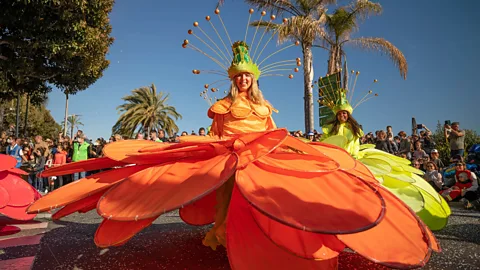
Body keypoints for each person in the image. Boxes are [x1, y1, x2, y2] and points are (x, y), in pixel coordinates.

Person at [29, 10, 438, 270]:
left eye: (248, 77)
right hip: (226, 154)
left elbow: (266, 131)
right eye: (239, 76)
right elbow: (218, 132)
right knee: (229, 191)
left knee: (276, 192)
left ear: (254, 79)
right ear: (232, 79)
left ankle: (275, 235)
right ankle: (223, 232)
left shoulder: (265, 108)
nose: (243, 81)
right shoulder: (222, 106)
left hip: (264, 155)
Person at [317, 73, 450, 231]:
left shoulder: (355, 129)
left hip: (352, 159)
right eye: (340, 114)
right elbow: (325, 142)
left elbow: (354, 144)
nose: (342, 116)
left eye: (344, 113)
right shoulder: (330, 129)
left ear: (348, 114)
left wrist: (352, 157)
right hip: (335, 160)